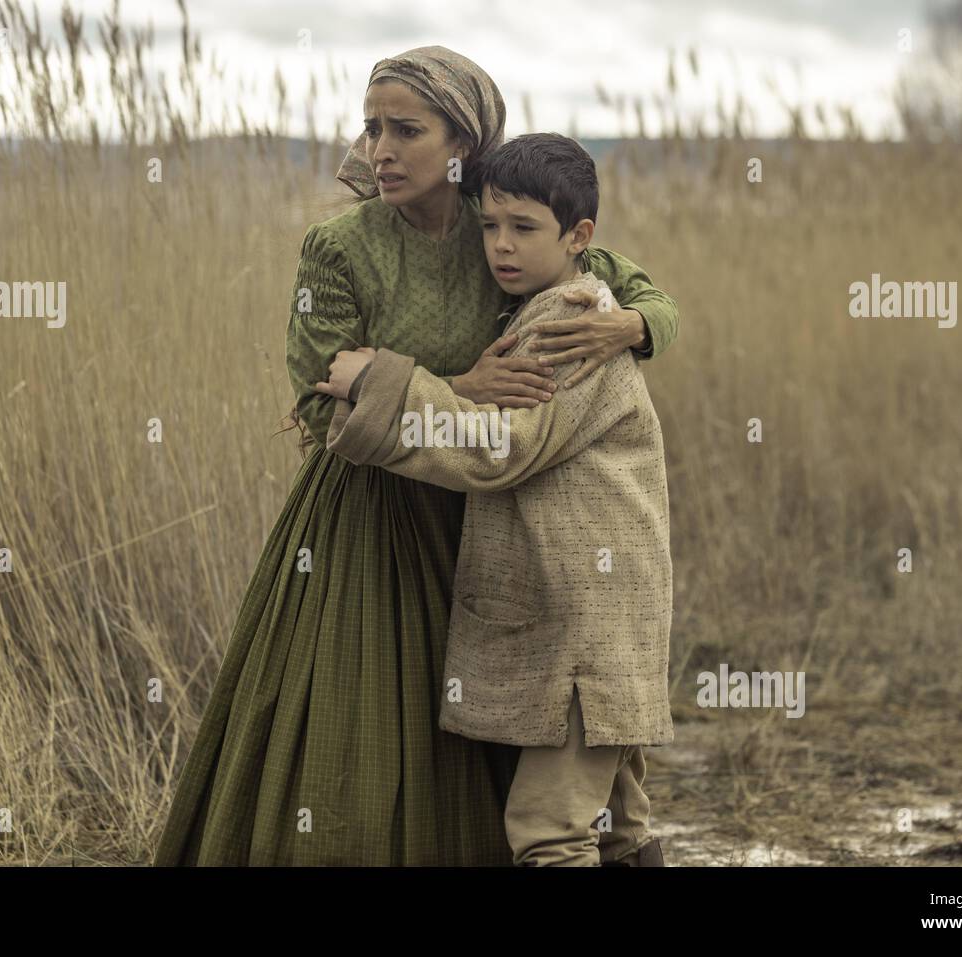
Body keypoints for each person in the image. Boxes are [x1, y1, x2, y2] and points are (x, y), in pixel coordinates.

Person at [153, 47, 679, 866]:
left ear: (462, 144)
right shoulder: (339, 248)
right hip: (366, 521)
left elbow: (625, 286)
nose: (380, 150)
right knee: (353, 741)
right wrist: (463, 381)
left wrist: (639, 326)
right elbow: (318, 398)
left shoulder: (500, 225)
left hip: (489, 526)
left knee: (517, 741)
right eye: (371, 128)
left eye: (406, 129)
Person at [320, 133, 674, 866]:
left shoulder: (569, 320)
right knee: (617, 827)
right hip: (600, 614)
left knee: (550, 835)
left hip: (585, 623)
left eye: (523, 228)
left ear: (580, 238)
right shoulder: (543, 303)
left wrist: (378, 385)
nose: (500, 247)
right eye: (488, 226)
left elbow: (499, 448)